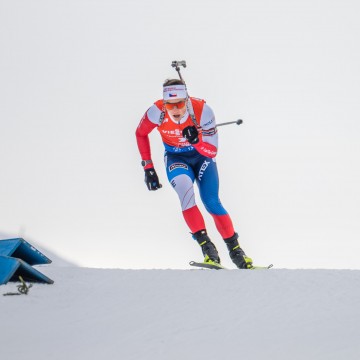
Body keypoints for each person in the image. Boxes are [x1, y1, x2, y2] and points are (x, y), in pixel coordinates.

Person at [135, 79, 253, 269]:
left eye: (180, 104)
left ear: (187, 100)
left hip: (202, 157)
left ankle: (236, 251)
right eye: (170, 105)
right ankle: (208, 250)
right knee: (184, 191)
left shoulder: (202, 110)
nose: (175, 109)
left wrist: (197, 141)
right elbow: (140, 133)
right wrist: (148, 167)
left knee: (212, 202)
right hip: (176, 158)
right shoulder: (156, 112)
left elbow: (212, 151)